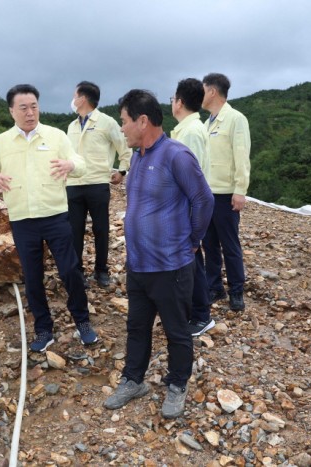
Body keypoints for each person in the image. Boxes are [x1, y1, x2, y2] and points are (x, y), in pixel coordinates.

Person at [103, 90, 213, 419]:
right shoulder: (137, 156)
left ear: (142, 121)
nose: (122, 129)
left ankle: (178, 385)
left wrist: (192, 241)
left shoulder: (176, 155)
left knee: (176, 330)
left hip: (171, 265)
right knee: (137, 326)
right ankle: (133, 380)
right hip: (138, 264)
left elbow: (203, 200)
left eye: (124, 122)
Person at [0, 84, 98, 352]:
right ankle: (43, 329)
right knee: (32, 277)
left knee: (70, 270)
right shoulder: (1, 143)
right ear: (11, 111)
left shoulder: (55, 136)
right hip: (22, 220)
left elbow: (81, 163)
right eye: (23, 108)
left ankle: (83, 321)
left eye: (34, 106)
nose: (30, 113)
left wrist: (70, 165)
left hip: (55, 216)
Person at [67, 81, 132, 288]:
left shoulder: (107, 122)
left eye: (75, 95)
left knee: (101, 229)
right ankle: (77, 272)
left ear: (83, 98)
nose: (73, 99)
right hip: (73, 184)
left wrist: (121, 171)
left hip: (97, 183)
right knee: (74, 230)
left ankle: (101, 270)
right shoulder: (72, 126)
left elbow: (124, 147)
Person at [201, 73, 251, 311]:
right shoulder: (207, 122)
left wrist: (240, 190)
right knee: (209, 244)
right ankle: (214, 287)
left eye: (203, 89)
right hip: (206, 193)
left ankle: (237, 290)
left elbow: (242, 156)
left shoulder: (235, 119)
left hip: (225, 193)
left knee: (229, 244)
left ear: (212, 91)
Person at [170, 78, 215, 337]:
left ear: (179, 102)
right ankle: (193, 310)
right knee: (190, 261)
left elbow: (191, 180)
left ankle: (201, 315)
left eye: (173, 99)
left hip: (188, 210)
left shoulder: (190, 132)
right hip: (186, 208)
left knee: (193, 261)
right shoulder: (187, 129)